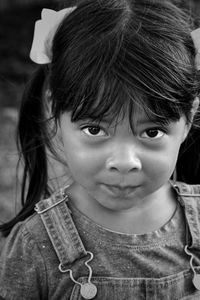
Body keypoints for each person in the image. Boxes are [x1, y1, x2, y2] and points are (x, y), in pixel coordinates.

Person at [0, 0, 200, 299]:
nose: (124, 162)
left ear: (188, 120)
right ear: (55, 109)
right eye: (95, 129)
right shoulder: (36, 243)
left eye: (152, 132)